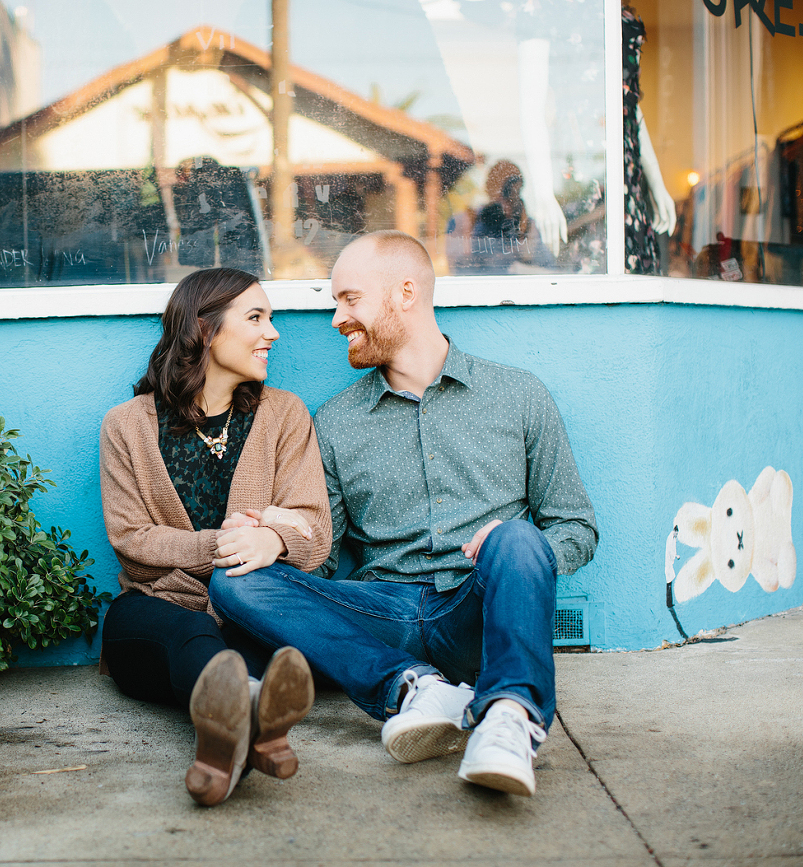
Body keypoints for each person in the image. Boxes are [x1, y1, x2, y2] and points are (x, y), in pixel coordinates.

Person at [210, 231, 597, 797]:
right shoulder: (337, 421)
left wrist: (518, 547)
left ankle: (509, 720)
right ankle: (413, 687)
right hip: (382, 616)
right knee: (236, 582)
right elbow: (320, 561)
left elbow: (576, 529)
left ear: (405, 293)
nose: (337, 318)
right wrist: (280, 535)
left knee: (516, 538)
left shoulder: (518, 396)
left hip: (478, 610)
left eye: (350, 298)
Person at [98, 267, 332, 806]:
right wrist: (221, 547)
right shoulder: (126, 425)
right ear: (205, 330)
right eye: (256, 318)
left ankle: (224, 738)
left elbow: (314, 530)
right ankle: (255, 715)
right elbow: (132, 541)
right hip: (157, 610)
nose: (272, 332)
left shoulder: (285, 415)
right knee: (184, 635)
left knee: (251, 644)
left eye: (270, 318)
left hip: (254, 612)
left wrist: (273, 541)